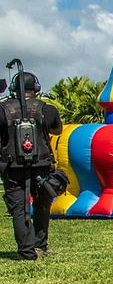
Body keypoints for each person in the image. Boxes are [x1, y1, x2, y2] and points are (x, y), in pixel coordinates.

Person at [1, 70, 62, 261]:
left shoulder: (3, 109)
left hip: (12, 167)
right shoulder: (47, 109)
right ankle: (40, 245)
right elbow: (57, 129)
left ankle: (27, 252)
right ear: (35, 88)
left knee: (19, 209)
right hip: (41, 165)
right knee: (42, 205)